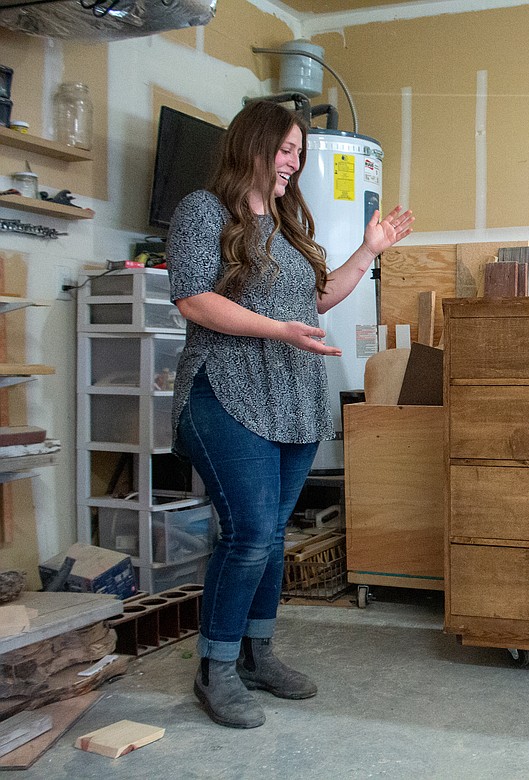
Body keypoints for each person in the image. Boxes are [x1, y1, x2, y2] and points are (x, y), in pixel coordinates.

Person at [166, 99, 413, 729]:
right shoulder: (204, 210)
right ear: (252, 145)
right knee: (248, 533)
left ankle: (257, 654)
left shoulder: (288, 221)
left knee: (271, 538)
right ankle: (214, 668)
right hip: (226, 390)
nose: (294, 162)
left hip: (294, 398)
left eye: (299, 153)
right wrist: (278, 329)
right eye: (285, 150)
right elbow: (194, 299)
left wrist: (368, 250)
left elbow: (317, 298)